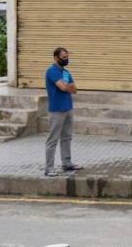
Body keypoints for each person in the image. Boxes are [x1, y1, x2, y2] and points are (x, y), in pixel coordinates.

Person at [44, 47, 82, 177]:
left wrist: (68, 87)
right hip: (56, 110)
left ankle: (67, 163)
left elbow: (74, 89)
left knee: (67, 137)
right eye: (63, 58)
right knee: (52, 140)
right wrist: (67, 87)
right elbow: (63, 86)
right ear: (56, 58)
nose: (66, 60)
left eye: (67, 57)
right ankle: (49, 168)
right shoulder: (51, 71)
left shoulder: (65, 72)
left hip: (68, 108)